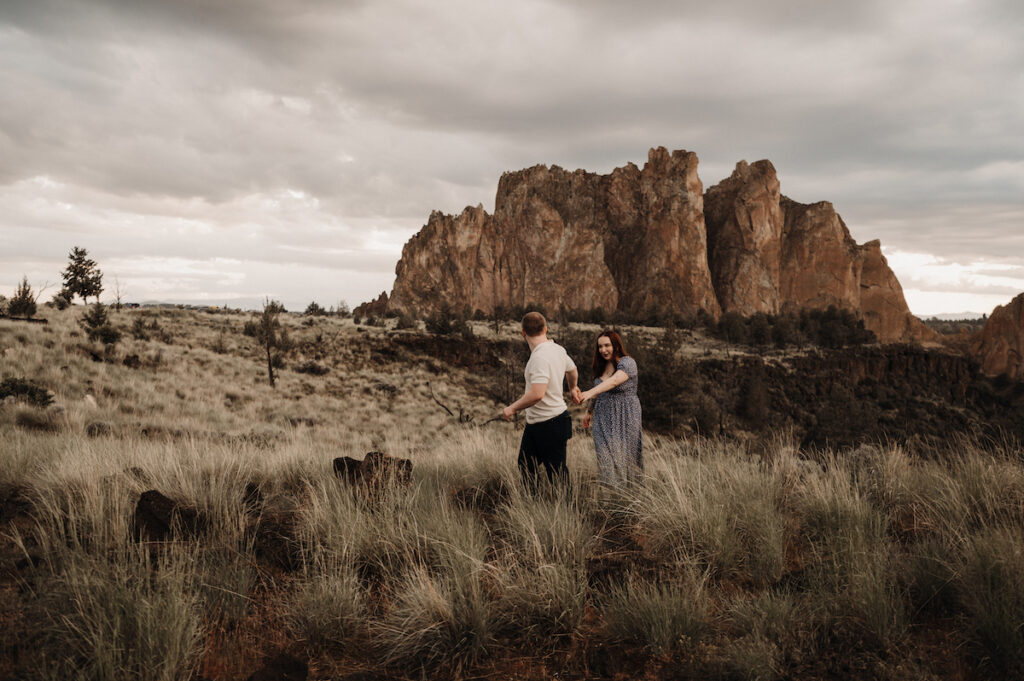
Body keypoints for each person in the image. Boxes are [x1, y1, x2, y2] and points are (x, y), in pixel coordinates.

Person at [501, 311, 579, 487]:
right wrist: (573, 387)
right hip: (538, 423)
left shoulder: (539, 357)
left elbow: (537, 393)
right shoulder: (558, 350)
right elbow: (572, 369)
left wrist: (512, 408)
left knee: (557, 474)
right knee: (526, 466)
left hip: (550, 423)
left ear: (523, 332)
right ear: (545, 329)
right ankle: (532, 507)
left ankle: (565, 511)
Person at [575, 330, 642, 485]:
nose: (603, 350)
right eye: (600, 347)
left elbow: (614, 381)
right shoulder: (601, 367)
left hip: (625, 416)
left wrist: (589, 392)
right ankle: (611, 496)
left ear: (616, 346)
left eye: (607, 345)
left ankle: (630, 499)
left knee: (626, 459)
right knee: (605, 459)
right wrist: (588, 412)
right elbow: (600, 391)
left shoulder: (627, 363)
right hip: (602, 418)